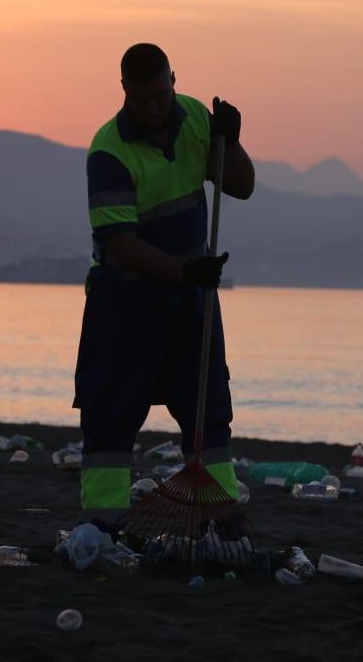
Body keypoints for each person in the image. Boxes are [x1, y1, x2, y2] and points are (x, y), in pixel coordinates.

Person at [73, 42, 255, 528]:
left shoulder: (196, 118)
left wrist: (229, 142)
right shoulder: (108, 151)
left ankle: (220, 514)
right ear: (125, 92)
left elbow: (240, 185)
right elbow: (120, 244)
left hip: (190, 301)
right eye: (142, 100)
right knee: (110, 414)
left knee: (208, 408)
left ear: (173, 80)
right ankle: (103, 524)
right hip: (124, 303)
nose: (154, 109)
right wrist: (184, 272)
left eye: (160, 96)